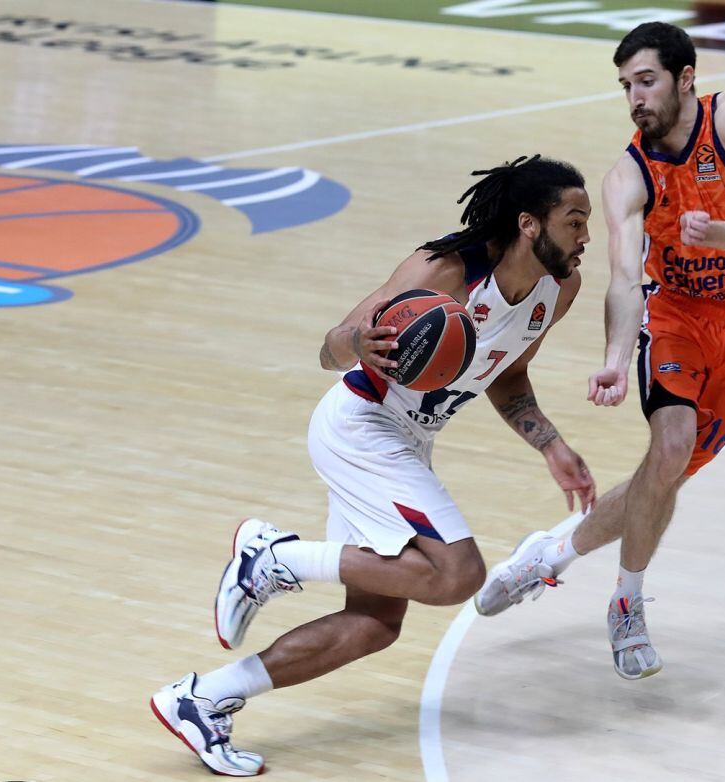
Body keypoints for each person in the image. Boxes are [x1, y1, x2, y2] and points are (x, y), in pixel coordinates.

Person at [150, 155, 596, 776]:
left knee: (373, 622)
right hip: (362, 426)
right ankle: (273, 559)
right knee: (457, 572)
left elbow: (510, 375)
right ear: (528, 223)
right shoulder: (442, 273)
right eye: (574, 221)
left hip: (412, 440)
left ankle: (201, 700)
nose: (585, 237)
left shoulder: (559, 290)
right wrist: (359, 342)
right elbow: (331, 347)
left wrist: (550, 445)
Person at [475, 23, 725, 682]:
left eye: (645, 81)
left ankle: (550, 553)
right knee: (668, 447)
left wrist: (719, 232)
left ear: (685, 77)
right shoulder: (627, 176)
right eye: (625, 86)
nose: (635, 98)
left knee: (663, 480)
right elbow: (623, 277)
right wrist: (617, 355)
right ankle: (627, 605)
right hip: (677, 319)